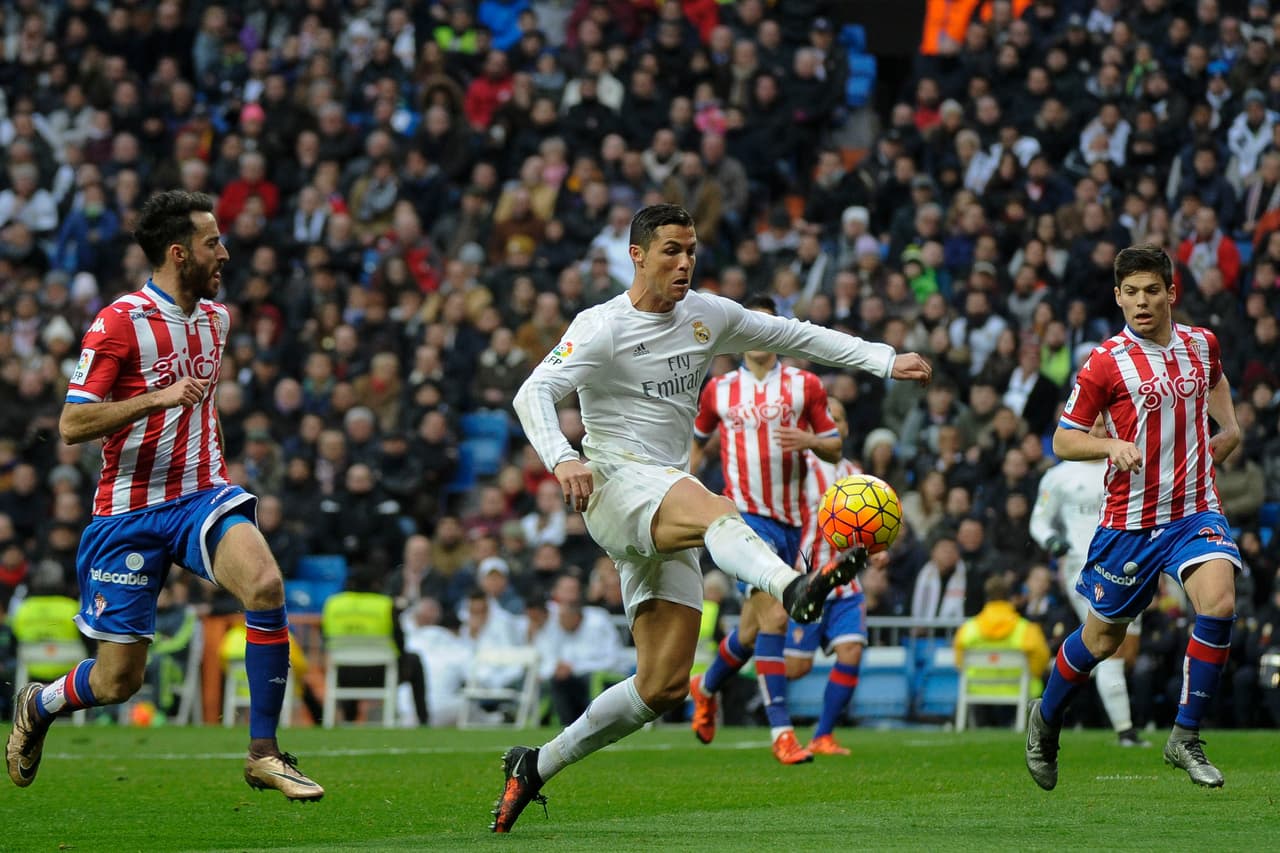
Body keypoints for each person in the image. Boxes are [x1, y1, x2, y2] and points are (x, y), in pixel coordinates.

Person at [495, 203, 931, 832]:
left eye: (692, 250)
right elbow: (532, 391)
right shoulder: (601, 328)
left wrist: (883, 359)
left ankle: (535, 764)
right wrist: (562, 459)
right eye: (671, 250)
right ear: (637, 255)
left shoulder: (706, 315)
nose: (685, 263)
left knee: (663, 685)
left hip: (664, 500)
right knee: (717, 506)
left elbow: (794, 335)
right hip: (616, 486)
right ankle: (793, 587)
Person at [5, 191, 323, 801]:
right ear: (179, 254)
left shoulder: (217, 319)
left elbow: (200, 403)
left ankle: (264, 753)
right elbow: (72, 424)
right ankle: (39, 704)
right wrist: (156, 397)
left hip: (201, 495)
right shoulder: (118, 321)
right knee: (119, 681)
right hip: (126, 511)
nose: (224, 254)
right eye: (212, 244)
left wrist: (216, 463)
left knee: (265, 586)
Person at [1025, 244, 1242, 791]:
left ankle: (1185, 737)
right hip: (1131, 523)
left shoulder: (1202, 344)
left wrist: (1230, 426)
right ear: (1117, 297)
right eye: (1130, 293)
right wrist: (1109, 446)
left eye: (1151, 291)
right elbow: (1062, 438)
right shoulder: (1105, 362)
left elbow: (1215, 382)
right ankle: (1046, 720)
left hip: (1195, 510)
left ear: (1172, 292)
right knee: (1102, 642)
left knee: (1219, 602)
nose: (1141, 302)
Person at [687, 295, 844, 765]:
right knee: (777, 618)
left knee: (755, 630)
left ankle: (707, 684)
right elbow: (694, 448)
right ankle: (782, 733)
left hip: (794, 522)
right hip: (744, 520)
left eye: (768, 325)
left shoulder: (805, 385)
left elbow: (835, 448)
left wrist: (811, 440)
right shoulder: (718, 390)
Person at [1029, 417, 1149, 747]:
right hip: (1083, 568)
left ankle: (1059, 689)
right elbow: (1038, 522)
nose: (1099, 431)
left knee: (1125, 650)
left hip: (1130, 565)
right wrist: (1054, 542)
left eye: (1105, 424)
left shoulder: (1128, 462)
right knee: (1110, 645)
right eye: (1093, 425)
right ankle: (1126, 731)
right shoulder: (1060, 475)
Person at [784, 397, 872, 756]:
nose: (833, 424)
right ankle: (745, 664)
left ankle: (823, 735)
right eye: (826, 418)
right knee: (796, 667)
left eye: (839, 419)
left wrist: (875, 553)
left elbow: (869, 527)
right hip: (807, 578)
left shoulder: (857, 477)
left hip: (846, 583)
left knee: (851, 651)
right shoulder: (799, 468)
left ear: (846, 429)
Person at [953, 575, 1051, 726]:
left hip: (977, 688)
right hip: (1018, 688)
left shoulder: (968, 629)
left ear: (986, 597)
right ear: (1009, 597)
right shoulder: (1026, 629)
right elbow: (1041, 661)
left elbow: (959, 663)